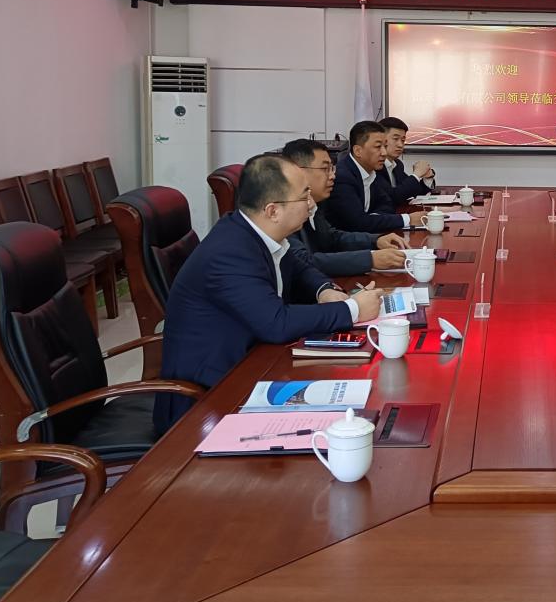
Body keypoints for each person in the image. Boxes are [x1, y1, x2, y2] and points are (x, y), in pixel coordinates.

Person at [155, 154, 385, 433]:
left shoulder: (254, 230)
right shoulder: (229, 252)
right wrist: (353, 309)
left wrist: (324, 291)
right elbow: (276, 323)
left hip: (253, 362)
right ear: (273, 210)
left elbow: (299, 267)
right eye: (303, 196)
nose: (310, 203)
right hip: (207, 398)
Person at [281, 138, 409, 276]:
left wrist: (376, 240)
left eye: (332, 168)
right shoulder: (282, 210)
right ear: (298, 171)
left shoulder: (316, 201)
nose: (332, 176)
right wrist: (369, 260)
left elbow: (332, 237)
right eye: (325, 169)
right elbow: (303, 261)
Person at [326, 120, 428, 234]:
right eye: (378, 146)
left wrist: (372, 218)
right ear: (358, 151)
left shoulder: (371, 171)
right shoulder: (342, 177)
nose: (384, 153)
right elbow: (358, 223)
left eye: (385, 146)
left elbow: (387, 204)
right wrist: (408, 219)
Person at [379, 116, 436, 204]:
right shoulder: (375, 166)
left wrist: (426, 177)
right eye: (395, 139)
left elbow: (411, 191)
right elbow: (392, 197)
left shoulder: (397, 164)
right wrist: (416, 174)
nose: (400, 145)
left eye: (403, 140)